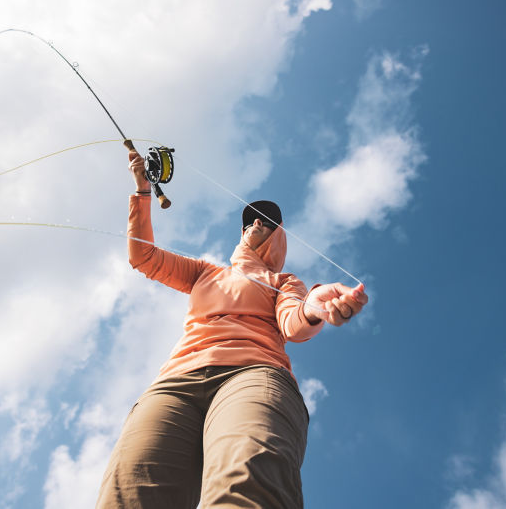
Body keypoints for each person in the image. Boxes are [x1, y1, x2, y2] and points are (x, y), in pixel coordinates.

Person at [95, 146, 368, 509]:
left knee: (248, 487)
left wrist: (316, 305)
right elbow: (143, 256)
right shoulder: (205, 272)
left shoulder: (284, 281)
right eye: (251, 221)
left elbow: (293, 323)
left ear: (276, 238)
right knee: (129, 492)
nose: (257, 223)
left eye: (266, 223)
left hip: (254, 375)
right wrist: (143, 191)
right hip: (175, 383)